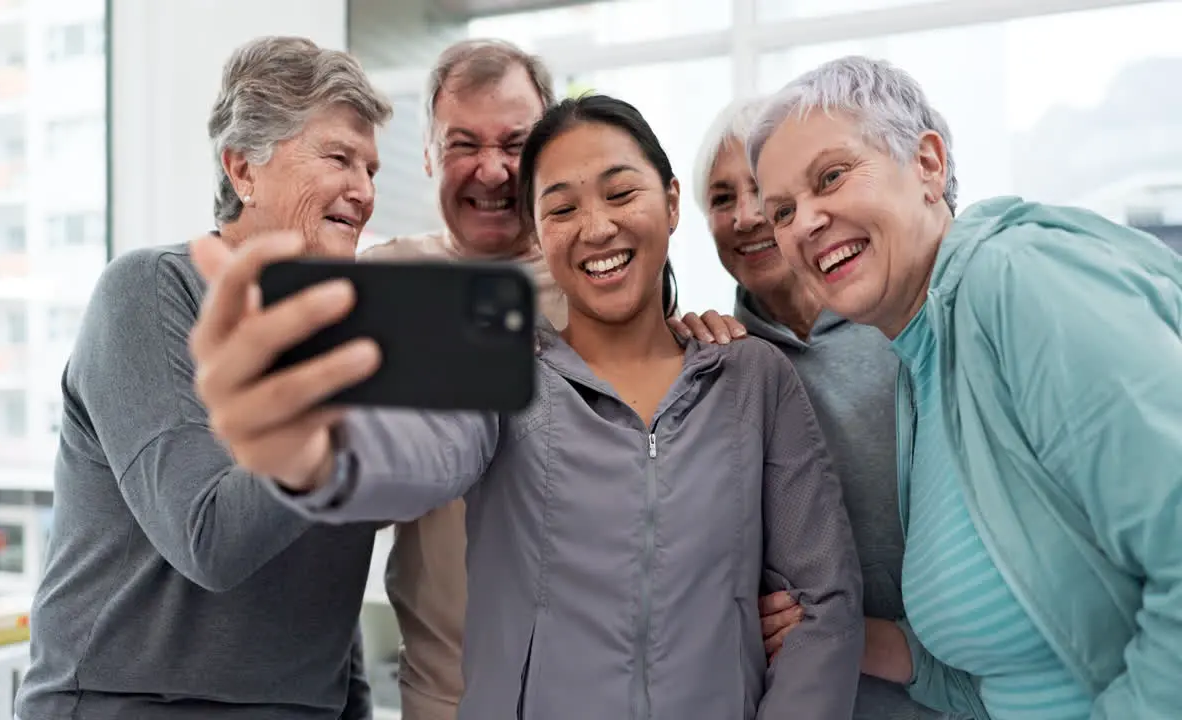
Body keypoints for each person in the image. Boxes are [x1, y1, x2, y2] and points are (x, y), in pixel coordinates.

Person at [188, 94, 865, 719]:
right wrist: (313, 453)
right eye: (562, 208)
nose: (596, 227)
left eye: (621, 193)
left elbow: (824, 605)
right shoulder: (504, 373)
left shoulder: (752, 377)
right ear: (538, 235)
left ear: (669, 202)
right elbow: (418, 458)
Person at [747, 55, 1182, 719]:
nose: (804, 223)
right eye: (782, 211)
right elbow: (1000, 678)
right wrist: (842, 635)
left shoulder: (1019, 279)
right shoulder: (922, 370)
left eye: (831, 176)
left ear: (928, 165)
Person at [362, 38, 740, 720]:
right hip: (445, 694)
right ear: (426, 157)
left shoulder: (605, 279)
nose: (493, 169)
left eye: (515, 142)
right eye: (461, 144)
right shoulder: (385, 284)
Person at [14, 36, 390, 720]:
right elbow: (209, 538)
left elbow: (326, 577)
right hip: (124, 703)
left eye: (371, 168)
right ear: (243, 169)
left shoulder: (340, 336)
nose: (363, 192)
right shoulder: (151, 292)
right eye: (338, 158)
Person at [692, 97, 944, 720]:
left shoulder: (905, 320)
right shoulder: (713, 361)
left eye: (763, 194)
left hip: (968, 686)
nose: (749, 217)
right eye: (722, 199)